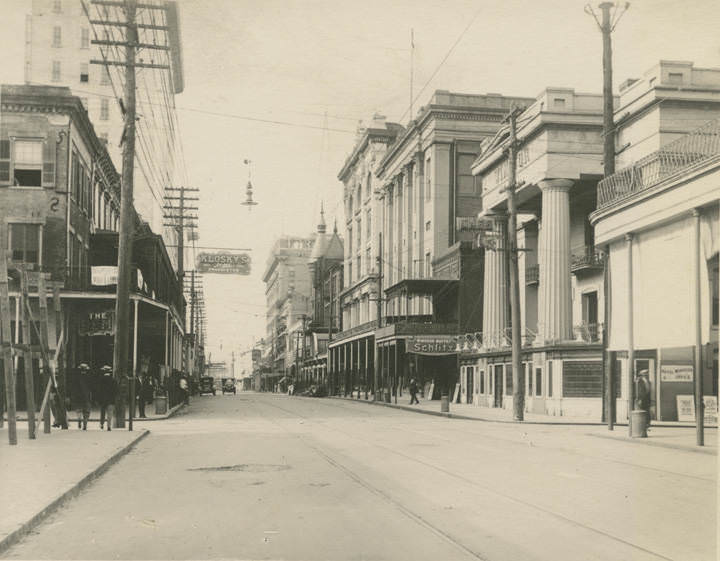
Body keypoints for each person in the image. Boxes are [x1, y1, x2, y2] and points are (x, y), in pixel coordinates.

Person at [71, 363, 92, 430]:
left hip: (78, 396)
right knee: (86, 411)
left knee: (79, 409)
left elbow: (73, 387)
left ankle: (79, 418)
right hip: (86, 396)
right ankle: (85, 423)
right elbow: (92, 387)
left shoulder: (76, 377)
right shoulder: (89, 377)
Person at [97, 365, 117, 431]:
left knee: (102, 412)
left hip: (103, 399)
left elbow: (98, 390)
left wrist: (98, 399)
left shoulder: (100, 380)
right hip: (111, 400)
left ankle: (102, 424)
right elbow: (116, 390)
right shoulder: (113, 380)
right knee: (110, 413)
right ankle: (109, 426)